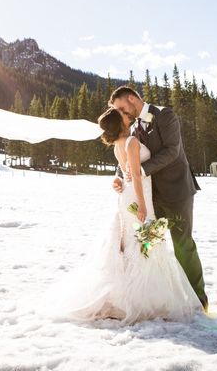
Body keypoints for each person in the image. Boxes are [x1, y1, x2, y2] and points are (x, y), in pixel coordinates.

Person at [40, 106, 203, 325]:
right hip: (137, 196)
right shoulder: (132, 142)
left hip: (127, 196)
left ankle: (129, 295)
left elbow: (125, 172)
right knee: (143, 245)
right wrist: (143, 206)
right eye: (124, 115)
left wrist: (121, 184)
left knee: (133, 243)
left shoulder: (119, 145)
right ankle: (143, 299)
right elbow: (136, 175)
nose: (128, 115)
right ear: (122, 122)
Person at [110, 86, 208, 311]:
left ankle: (199, 301)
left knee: (183, 245)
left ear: (133, 99)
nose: (121, 114)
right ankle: (159, 299)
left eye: (122, 108)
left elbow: (173, 151)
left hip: (177, 193)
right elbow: (127, 158)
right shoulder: (131, 126)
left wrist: (141, 171)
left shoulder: (165, 115)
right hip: (151, 199)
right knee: (148, 246)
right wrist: (118, 178)